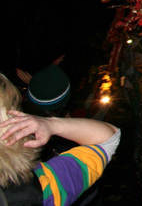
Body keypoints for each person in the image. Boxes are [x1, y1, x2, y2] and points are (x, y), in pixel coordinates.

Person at [0, 73, 120, 206]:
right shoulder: (37, 187)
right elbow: (107, 136)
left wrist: (35, 88)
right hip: (85, 195)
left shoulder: (32, 123)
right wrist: (53, 124)